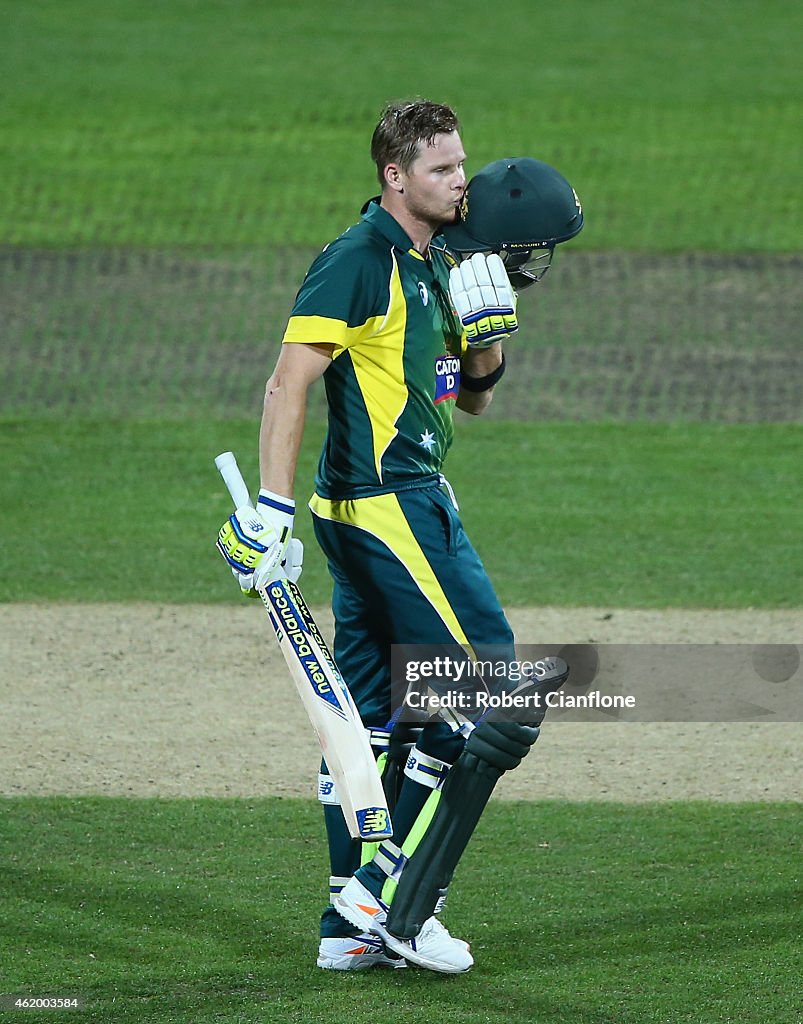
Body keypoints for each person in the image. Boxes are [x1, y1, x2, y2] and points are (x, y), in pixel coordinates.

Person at [216, 100, 583, 973]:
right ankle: (400, 905)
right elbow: (287, 383)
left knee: (380, 716)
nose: (463, 183)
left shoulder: (431, 263)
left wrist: (489, 346)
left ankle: (346, 927)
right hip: (391, 505)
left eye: (462, 166)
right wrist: (267, 508)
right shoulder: (356, 261)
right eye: (444, 170)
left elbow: (468, 400)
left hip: (374, 508)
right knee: (490, 691)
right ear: (395, 175)